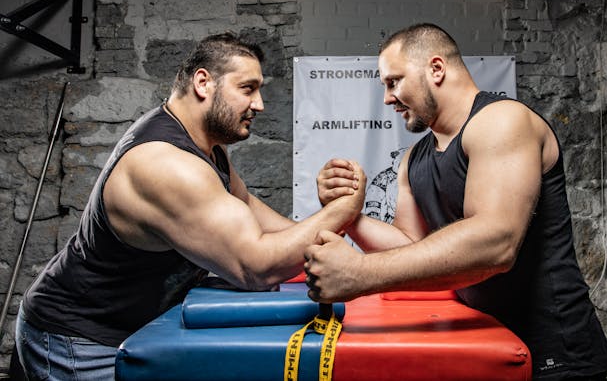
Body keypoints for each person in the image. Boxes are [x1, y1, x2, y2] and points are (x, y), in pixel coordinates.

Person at [15, 33, 365, 381]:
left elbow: (247, 206)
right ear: (203, 82)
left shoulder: (207, 145)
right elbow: (254, 269)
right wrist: (341, 210)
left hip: (139, 325)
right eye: (248, 88)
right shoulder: (167, 166)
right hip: (77, 338)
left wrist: (318, 230)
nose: (259, 104)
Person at [304, 23, 607, 380]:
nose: (387, 98)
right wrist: (347, 211)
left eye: (394, 81)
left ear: (436, 69)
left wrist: (358, 274)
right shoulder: (414, 158)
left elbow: (494, 243)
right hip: (483, 339)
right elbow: (410, 246)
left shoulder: (501, 121)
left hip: (555, 350)